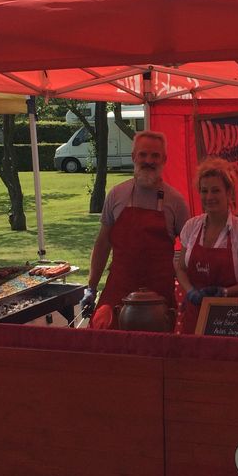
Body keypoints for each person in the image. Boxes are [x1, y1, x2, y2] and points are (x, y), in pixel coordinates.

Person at [83, 131, 190, 329]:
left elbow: (190, 251)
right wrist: (91, 286)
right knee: (106, 353)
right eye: (143, 154)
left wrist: (189, 291)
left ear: (164, 159)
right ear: (134, 157)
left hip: (158, 301)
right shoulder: (116, 195)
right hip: (118, 292)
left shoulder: (176, 202)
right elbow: (103, 243)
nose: (148, 160)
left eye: (155, 155)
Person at [174, 158, 238, 334]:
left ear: (229, 192)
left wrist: (225, 292)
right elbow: (181, 269)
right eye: (204, 191)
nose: (209, 197)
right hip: (194, 315)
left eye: (216, 191)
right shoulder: (191, 227)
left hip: (230, 318)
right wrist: (191, 291)